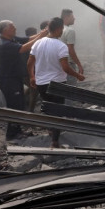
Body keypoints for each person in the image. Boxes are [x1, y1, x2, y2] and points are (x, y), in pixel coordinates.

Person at [28, 17, 85, 148]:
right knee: (58, 111)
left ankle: (51, 129)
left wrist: (32, 76)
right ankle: (55, 141)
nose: (62, 32)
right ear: (59, 29)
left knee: (48, 108)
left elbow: (30, 62)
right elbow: (65, 67)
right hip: (57, 83)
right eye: (62, 29)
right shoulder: (61, 46)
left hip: (41, 83)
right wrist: (78, 76)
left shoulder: (37, 43)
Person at [0, 20, 47, 140]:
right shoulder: (4, 44)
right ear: (5, 30)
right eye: (12, 27)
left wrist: (42, 33)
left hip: (15, 78)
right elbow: (24, 47)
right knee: (14, 106)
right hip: (8, 80)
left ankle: (17, 130)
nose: (15, 28)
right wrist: (41, 36)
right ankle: (11, 133)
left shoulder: (11, 38)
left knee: (19, 104)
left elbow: (28, 39)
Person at [60, 9, 83, 85]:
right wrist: (79, 65)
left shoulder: (57, 29)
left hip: (58, 63)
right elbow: (71, 50)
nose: (74, 18)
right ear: (66, 17)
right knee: (71, 89)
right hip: (68, 63)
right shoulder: (70, 31)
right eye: (72, 16)